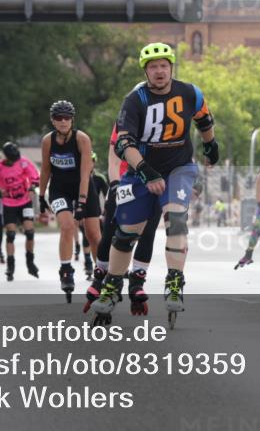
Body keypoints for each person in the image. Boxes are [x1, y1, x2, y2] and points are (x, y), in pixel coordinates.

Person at [92, 42, 219, 326]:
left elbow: (204, 118)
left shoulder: (189, 92)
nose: (159, 71)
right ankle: (113, 286)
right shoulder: (135, 100)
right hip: (140, 171)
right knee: (126, 234)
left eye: (164, 66)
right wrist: (146, 172)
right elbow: (124, 143)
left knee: (176, 219)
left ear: (172, 67)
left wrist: (211, 144)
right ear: (146, 71)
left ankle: (175, 281)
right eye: (153, 67)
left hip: (179, 168)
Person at [84, 123, 160, 316]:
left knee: (147, 232)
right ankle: (101, 277)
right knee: (112, 230)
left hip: (152, 182)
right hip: (125, 180)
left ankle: (137, 281)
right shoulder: (125, 121)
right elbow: (114, 161)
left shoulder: (162, 121)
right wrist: (116, 185)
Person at [38, 100, 102, 301]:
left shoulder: (81, 139)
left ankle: (102, 274)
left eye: (67, 118)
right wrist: (41, 196)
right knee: (66, 226)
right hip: (59, 189)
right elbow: (46, 170)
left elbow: (85, 175)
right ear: (53, 121)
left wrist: (82, 203)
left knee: (93, 234)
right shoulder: (48, 141)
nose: (63, 122)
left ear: (72, 120)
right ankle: (66, 270)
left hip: (83, 187)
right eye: (59, 118)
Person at [0, 141, 41, 282]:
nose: (15, 162)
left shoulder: (23, 162)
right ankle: (10, 265)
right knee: (10, 234)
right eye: (12, 160)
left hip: (25, 202)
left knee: (30, 232)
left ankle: (30, 261)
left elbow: (35, 177)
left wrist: (31, 188)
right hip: (9, 203)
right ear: (6, 157)